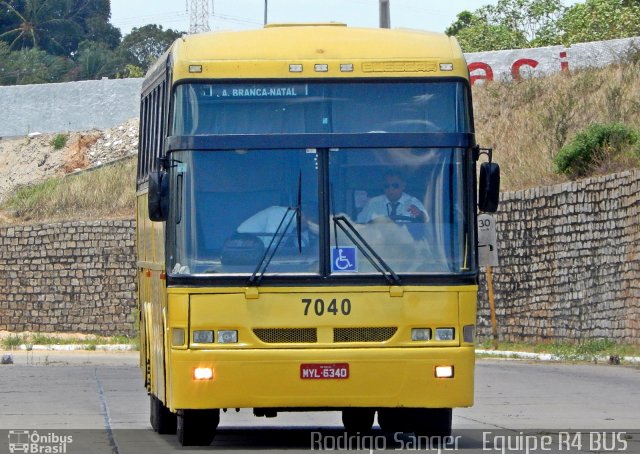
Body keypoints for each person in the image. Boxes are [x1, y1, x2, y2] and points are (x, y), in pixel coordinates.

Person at [356, 171, 428, 223]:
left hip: (408, 242)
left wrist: (420, 214)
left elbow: (427, 222)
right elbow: (359, 224)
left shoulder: (413, 202)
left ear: (403, 186)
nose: (390, 189)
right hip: (377, 243)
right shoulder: (373, 203)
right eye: (386, 186)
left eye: (395, 186)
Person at [237, 205, 318, 247]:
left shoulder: (292, 222)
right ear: (303, 215)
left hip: (255, 248)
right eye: (308, 223)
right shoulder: (279, 215)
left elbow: (301, 247)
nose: (307, 227)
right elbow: (269, 243)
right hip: (241, 243)